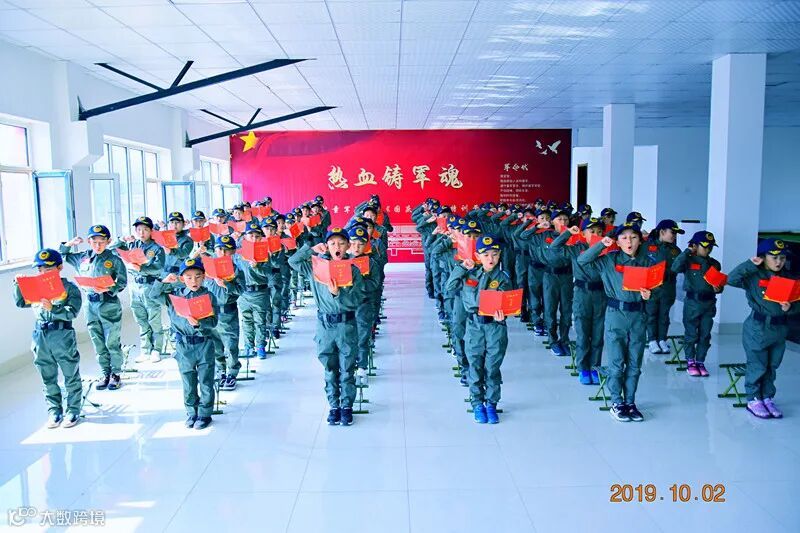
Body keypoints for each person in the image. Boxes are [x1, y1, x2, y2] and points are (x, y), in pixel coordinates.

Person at [577, 222, 654, 422]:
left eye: (634, 237)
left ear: (640, 241)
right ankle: (616, 401)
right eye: (624, 238)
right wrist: (601, 244)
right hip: (615, 314)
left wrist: (650, 295)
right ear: (617, 242)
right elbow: (582, 260)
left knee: (635, 362)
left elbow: (658, 287)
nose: (629, 241)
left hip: (638, 316)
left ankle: (630, 402)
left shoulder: (647, 262)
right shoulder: (609, 260)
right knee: (616, 362)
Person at [288, 228, 364, 426]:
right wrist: (310, 249)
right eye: (332, 243)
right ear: (327, 246)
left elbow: (357, 299)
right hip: (325, 326)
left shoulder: (354, 270)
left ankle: (346, 406)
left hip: (346, 325)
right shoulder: (316, 268)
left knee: (347, 368)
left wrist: (338, 294)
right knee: (330, 368)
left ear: (348, 246)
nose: (337, 247)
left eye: (341, 243)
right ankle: (334, 406)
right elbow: (293, 261)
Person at [727, 238, 798, 419]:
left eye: (782, 257)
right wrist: (749, 264)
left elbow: (798, 302)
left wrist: (790, 308)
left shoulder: (789, 277)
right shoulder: (754, 275)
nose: (779, 262)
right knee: (757, 365)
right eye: (774, 257)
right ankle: (753, 399)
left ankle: (767, 397)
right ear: (763, 257)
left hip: (780, 328)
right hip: (757, 328)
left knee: (772, 366)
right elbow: (731, 279)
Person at [13, 249, 83, 428]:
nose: (43, 273)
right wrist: (17, 285)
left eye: (49, 269)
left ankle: (73, 410)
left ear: (59, 267)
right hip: (40, 336)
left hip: (62, 335)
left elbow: (72, 312)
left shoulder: (69, 288)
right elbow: (20, 302)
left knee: (70, 373)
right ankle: (54, 411)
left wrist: (54, 308)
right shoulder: (35, 286)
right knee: (47, 376)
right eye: (40, 269)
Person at [446, 235, 511, 424]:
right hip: (474, 326)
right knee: (474, 366)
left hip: (495, 327)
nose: (491, 258)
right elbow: (450, 287)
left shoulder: (503, 278)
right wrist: (461, 268)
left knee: (492, 368)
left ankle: (491, 404)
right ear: (477, 256)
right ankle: (477, 404)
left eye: (495, 254)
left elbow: (508, 303)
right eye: (486, 255)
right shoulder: (470, 274)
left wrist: (503, 314)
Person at [150, 258, 220, 429]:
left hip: (204, 344)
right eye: (188, 277)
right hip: (183, 346)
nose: (193, 281)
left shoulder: (208, 296)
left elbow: (213, 322)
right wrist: (163, 282)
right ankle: (191, 412)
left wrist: (199, 324)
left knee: (206, 381)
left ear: (204, 277)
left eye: (198, 276)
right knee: (188, 381)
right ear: (182, 279)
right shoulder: (175, 297)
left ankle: (204, 414)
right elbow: (153, 296)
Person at [60, 225, 128, 390]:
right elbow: (63, 255)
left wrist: (109, 288)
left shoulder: (114, 259)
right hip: (90, 305)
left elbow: (122, 281)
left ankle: (116, 373)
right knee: (97, 340)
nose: (98, 245)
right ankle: (105, 373)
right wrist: (69, 244)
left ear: (108, 241)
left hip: (108, 304)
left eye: (101, 241)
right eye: (94, 241)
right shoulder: (82, 258)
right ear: (89, 241)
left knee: (111, 341)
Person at [549, 218, 606, 384]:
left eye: (599, 232)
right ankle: (583, 368)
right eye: (592, 231)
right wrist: (568, 233)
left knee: (598, 335)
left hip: (601, 295)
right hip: (582, 294)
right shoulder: (577, 249)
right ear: (584, 233)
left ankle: (595, 367)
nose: (596, 235)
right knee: (583, 334)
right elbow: (554, 247)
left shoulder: (606, 249)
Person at [112, 216, 165, 363]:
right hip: (135, 287)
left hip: (150, 286)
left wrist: (142, 268)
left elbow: (159, 268)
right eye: (139, 229)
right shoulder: (132, 245)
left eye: (145, 229)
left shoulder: (157, 248)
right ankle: (145, 349)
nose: (142, 232)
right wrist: (121, 239)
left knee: (153, 319)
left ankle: (157, 349)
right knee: (141, 320)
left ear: (151, 231)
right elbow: (112, 249)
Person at [671, 231, 723, 377]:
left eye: (710, 247)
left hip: (709, 303)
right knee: (691, 334)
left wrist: (719, 288)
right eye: (704, 246)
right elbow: (675, 268)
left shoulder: (714, 264)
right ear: (695, 245)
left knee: (705, 334)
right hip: (692, 303)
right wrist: (687, 251)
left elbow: (719, 284)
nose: (708, 249)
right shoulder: (688, 260)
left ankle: (700, 361)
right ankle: (690, 361)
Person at [198, 235, 244, 391]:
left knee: (230, 345)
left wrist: (227, 285)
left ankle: (232, 373)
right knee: (215, 344)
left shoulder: (236, 270)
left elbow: (241, 289)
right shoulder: (207, 269)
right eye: (220, 250)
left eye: (227, 251)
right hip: (211, 313)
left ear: (233, 252)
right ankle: (221, 370)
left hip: (228, 312)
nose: (223, 253)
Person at [348, 225, 381, 386]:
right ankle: (348, 368)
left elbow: (374, 283)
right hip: (346, 306)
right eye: (353, 243)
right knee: (347, 337)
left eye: (360, 244)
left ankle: (361, 367)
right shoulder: (340, 262)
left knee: (362, 337)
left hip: (363, 305)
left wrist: (358, 282)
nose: (356, 247)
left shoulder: (371, 263)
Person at [646, 219, 684, 354]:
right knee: (651, 314)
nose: (674, 236)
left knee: (664, 314)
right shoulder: (646, 246)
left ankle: (662, 339)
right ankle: (652, 340)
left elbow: (681, 267)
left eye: (676, 234)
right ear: (662, 232)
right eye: (672, 233)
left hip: (668, 286)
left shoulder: (675, 250)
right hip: (651, 286)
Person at [235, 221, 273, 359]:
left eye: (257, 236)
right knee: (246, 320)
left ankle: (260, 346)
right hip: (244, 292)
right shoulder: (238, 253)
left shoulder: (264, 253)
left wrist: (258, 267)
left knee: (260, 320)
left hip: (259, 292)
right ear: (245, 237)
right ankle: (248, 346)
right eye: (251, 235)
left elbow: (268, 273)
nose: (254, 238)